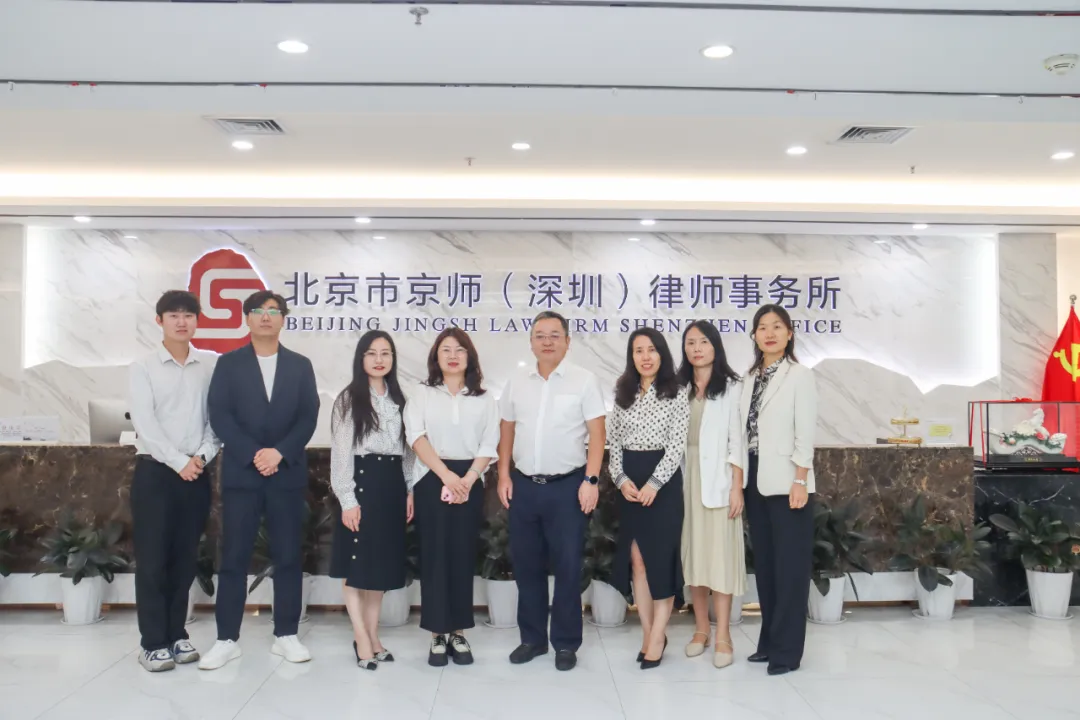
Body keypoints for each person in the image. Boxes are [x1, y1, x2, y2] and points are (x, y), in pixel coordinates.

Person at [199, 290, 320, 671]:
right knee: (234, 557)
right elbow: (220, 415)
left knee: (288, 556)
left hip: (285, 474)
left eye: (273, 311)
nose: (266, 316)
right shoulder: (229, 364)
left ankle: (286, 635)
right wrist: (255, 453)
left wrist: (279, 453)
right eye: (258, 310)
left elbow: (308, 416)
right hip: (243, 474)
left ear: (283, 318)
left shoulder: (300, 365)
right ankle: (226, 639)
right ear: (247, 319)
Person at [497, 310, 606, 672]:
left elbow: (598, 434)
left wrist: (591, 480)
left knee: (568, 566)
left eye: (554, 335)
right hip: (525, 485)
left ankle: (565, 643)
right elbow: (507, 429)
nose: (547, 341)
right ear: (531, 342)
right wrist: (503, 474)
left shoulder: (584, 380)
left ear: (567, 341)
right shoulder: (516, 381)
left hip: (568, 487)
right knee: (526, 565)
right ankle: (532, 639)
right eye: (540, 335)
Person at [128, 290, 221, 672]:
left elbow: (216, 421)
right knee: (153, 561)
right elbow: (145, 424)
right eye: (173, 315)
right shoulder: (143, 367)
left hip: (195, 473)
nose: (182, 322)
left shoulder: (209, 365)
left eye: (188, 315)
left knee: (184, 560)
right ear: (160, 321)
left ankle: (177, 634)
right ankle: (152, 642)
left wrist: (201, 457)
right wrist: (179, 461)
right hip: (155, 473)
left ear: (198, 320)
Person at [405, 328, 500, 667]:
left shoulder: (485, 398)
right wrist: (446, 475)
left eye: (460, 349)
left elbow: (490, 441)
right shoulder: (422, 393)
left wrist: (469, 478)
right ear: (436, 356)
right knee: (434, 556)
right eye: (446, 349)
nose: (453, 355)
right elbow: (416, 436)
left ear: (469, 356)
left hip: (470, 479)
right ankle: (436, 633)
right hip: (432, 477)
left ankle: (458, 632)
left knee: (462, 555)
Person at [328, 330, 415, 670]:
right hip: (361, 485)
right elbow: (340, 454)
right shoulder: (349, 399)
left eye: (386, 353)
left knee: (380, 567)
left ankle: (374, 636)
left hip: (391, 487)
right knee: (356, 565)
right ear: (360, 358)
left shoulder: (400, 400)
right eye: (371, 353)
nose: (379, 359)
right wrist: (347, 499)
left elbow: (408, 452)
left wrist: (409, 489)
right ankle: (361, 637)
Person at [739, 304, 817, 677]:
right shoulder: (748, 378)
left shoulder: (800, 376)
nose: (769, 333)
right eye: (762, 327)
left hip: (789, 481)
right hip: (756, 479)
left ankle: (787, 652)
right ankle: (769, 642)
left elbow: (805, 432)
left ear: (789, 333)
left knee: (790, 570)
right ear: (754, 335)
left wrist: (800, 479)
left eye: (777, 326)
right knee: (767, 567)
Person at [608, 328, 690, 670]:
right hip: (630, 482)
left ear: (662, 354)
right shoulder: (623, 392)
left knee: (661, 560)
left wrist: (654, 484)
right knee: (637, 561)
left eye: (651, 350)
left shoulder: (677, 391)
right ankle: (648, 633)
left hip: (663, 485)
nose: (645, 356)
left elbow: (676, 446)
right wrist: (621, 479)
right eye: (638, 350)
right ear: (632, 356)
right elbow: (614, 442)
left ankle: (658, 636)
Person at [677, 320, 745, 670]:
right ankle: (701, 629)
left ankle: (724, 635)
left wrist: (737, 487)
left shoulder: (732, 388)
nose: (697, 348)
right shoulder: (677, 388)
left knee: (720, 559)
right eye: (690, 342)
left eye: (703, 342)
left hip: (719, 480)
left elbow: (737, 440)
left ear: (715, 346)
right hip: (685, 481)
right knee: (695, 558)